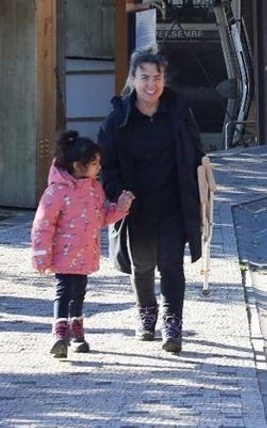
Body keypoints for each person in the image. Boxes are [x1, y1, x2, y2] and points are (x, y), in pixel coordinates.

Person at [98, 50, 206, 354]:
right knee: (142, 264)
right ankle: (147, 311)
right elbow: (107, 166)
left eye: (157, 77)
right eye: (144, 77)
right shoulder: (117, 120)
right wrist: (118, 192)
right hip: (135, 208)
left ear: (164, 79)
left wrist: (205, 181)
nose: (151, 84)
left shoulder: (179, 113)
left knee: (171, 263)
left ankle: (173, 323)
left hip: (174, 202)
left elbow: (197, 154)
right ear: (132, 79)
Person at [31, 131, 134, 358]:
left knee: (79, 293)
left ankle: (77, 333)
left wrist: (121, 208)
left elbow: (100, 218)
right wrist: (41, 254)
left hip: (86, 254)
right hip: (63, 256)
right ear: (78, 166)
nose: (99, 168)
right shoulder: (56, 192)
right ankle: (60, 334)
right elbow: (43, 224)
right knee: (63, 292)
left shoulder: (94, 189)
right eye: (94, 163)